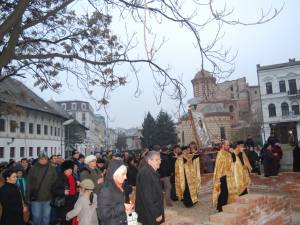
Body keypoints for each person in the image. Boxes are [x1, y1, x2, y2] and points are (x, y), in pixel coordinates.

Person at [26, 151, 58, 225]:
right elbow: (28, 184)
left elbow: (56, 182)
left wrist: (54, 193)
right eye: (41, 158)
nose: (43, 160)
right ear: (38, 159)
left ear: (47, 159)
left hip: (48, 198)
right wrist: (27, 198)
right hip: (36, 198)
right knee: (36, 217)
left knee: (46, 217)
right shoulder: (33, 169)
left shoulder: (52, 168)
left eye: (45, 158)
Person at [98, 159, 132, 225]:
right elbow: (103, 215)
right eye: (123, 174)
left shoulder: (118, 186)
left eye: (126, 174)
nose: (125, 177)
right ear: (114, 174)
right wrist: (123, 207)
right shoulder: (106, 190)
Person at [135, 151, 164, 225]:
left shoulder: (151, 171)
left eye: (160, 159)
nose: (160, 162)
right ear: (149, 161)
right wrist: (156, 213)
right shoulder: (146, 173)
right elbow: (148, 197)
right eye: (157, 160)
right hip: (149, 213)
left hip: (150, 211)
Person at [212, 140, 237, 212]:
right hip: (222, 176)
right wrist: (220, 177)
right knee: (224, 192)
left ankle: (223, 206)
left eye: (229, 145)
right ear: (223, 145)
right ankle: (221, 208)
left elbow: (234, 160)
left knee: (226, 192)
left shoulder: (227, 153)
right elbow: (219, 167)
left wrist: (232, 153)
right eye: (227, 145)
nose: (229, 146)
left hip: (228, 176)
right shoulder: (220, 153)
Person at [51, 160, 77, 225]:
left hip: (72, 200)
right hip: (64, 202)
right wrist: (63, 192)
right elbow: (53, 190)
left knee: (71, 218)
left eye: (71, 169)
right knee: (65, 219)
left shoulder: (73, 177)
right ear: (64, 170)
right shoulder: (60, 178)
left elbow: (73, 187)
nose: (70, 170)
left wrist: (77, 185)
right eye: (68, 169)